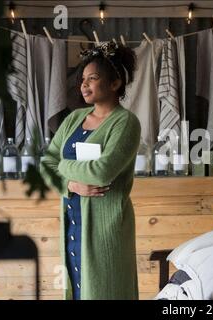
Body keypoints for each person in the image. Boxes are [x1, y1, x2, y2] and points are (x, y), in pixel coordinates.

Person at [40, 42, 141, 300]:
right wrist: (70, 185)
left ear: (115, 83)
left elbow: (101, 171)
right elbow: (45, 165)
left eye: (92, 79)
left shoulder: (126, 123)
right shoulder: (74, 118)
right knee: (75, 290)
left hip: (106, 228)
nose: (84, 85)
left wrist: (63, 166)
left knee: (106, 291)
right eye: (83, 79)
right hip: (73, 221)